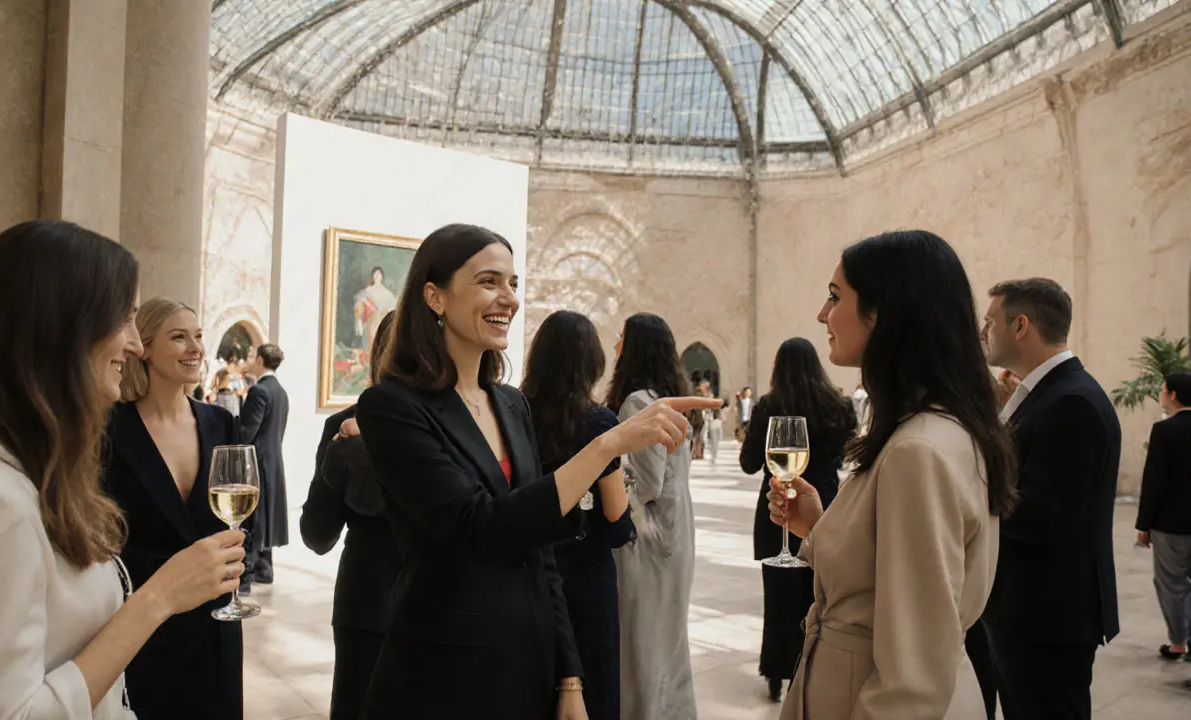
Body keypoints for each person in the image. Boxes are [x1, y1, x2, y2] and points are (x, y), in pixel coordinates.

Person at [354, 223, 719, 719]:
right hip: (444, 674)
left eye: (513, 283)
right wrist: (607, 442)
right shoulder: (391, 407)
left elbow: (541, 554)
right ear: (434, 296)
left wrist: (569, 676)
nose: (508, 298)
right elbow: (479, 526)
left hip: (529, 666)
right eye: (489, 281)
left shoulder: (510, 405)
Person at [0, 220, 244, 719]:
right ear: (62, 329)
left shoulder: (30, 468)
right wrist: (158, 599)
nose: (134, 345)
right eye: (125, 319)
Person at [765, 229, 1017, 719]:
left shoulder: (916, 451)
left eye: (836, 297)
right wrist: (817, 527)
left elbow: (912, 681)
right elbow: (893, 581)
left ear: (882, 314)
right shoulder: (940, 426)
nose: (822, 314)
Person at [979, 277, 1121, 720]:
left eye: (989, 322)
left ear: (1020, 325)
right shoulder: (1047, 393)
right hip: (1030, 611)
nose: (983, 333)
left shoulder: (1070, 402)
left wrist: (966, 485)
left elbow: (1043, 516)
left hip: (1046, 618)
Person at [102, 297, 245, 719]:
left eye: (198, 336)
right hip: (145, 625)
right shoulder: (109, 428)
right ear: (144, 348)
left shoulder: (222, 423)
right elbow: (103, 538)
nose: (195, 348)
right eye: (179, 337)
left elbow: (241, 521)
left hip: (217, 626)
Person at [522, 310, 637, 720]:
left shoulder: (515, 414)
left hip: (527, 575)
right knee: (594, 695)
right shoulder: (599, 424)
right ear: (591, 363)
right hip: (586, 580)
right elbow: (617, 523)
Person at [740, 337, 857, 702]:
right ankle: (813, 673)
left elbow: (748, 463)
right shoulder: (838, 406)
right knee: (818, 595)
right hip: (825, 502)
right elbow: (844, 457)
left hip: (778, 507)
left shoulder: (768, 406)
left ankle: (777, 672)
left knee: (777, 597)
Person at [299, 312, 401, 720]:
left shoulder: (456, 424)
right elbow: (317, 534)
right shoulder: (343, 427)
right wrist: (340, 459)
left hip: (438, 612)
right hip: (369, 608)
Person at [607, 312, 699, 720]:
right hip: (678, 534)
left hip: (649, 539)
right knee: (668, 643)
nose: (615, 346)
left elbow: (645, 483)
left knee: (644, 646)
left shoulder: (637, 402)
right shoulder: (665, 398)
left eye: (622, 338)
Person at [1136, 372, 1191, 661]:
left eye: (1162, 389)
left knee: (1172, 584)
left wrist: (1143, 525)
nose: (1160, 393)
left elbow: (1153, 481)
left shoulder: (1165, 431)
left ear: (1172, 395)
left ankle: (1179, 643)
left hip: (1171, 525)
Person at [240, 343, 289, 588]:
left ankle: (246, 575)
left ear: (260, 360)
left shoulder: (259, 390)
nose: (248, 361)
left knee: (254, 516)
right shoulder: (280, 390)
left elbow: (247, 431)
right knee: (265, 514)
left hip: (257, 462)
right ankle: (265, 568)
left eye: (251, 356)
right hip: (274, 460)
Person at [353, 266, 397, 356]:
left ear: (382, 277)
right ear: (372, 277)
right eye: (375, 274)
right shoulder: (367, 291)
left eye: (379, 274)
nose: (377, 276)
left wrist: (382, 311)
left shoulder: (387, 293)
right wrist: (358, 319)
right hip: (370, 321)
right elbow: (359, 303)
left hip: (383, 320)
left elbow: (392, 308)